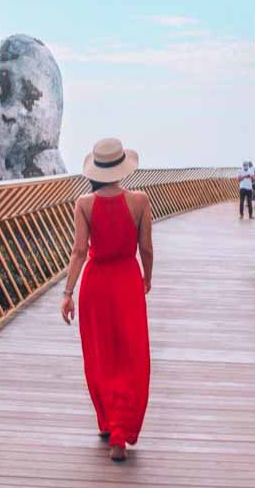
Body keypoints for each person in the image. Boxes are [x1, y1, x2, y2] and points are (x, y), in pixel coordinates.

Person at [60, 137, 153, 463]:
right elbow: (146, 247)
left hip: (96, 285)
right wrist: (148, 277)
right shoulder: (141, 201)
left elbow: (79, 251)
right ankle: (119, 432)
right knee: (130, 354)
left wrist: (68, 293)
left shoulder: (84, 203)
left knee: (101, 354)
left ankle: (108, 423)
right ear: (122, 168)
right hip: (127, 281)